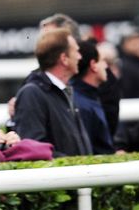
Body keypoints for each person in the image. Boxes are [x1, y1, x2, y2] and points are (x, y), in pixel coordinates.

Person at [13, 28, 92, 157]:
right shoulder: (32, 94)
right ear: (64, 58)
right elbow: (33, 149)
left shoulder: (65, 91)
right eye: (76, 51)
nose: (80, 56)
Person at [71, 39, 114, 154]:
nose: (106, 66)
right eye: (102, 61)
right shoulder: (80, 104)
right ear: (93, 65)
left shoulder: (87, 97)